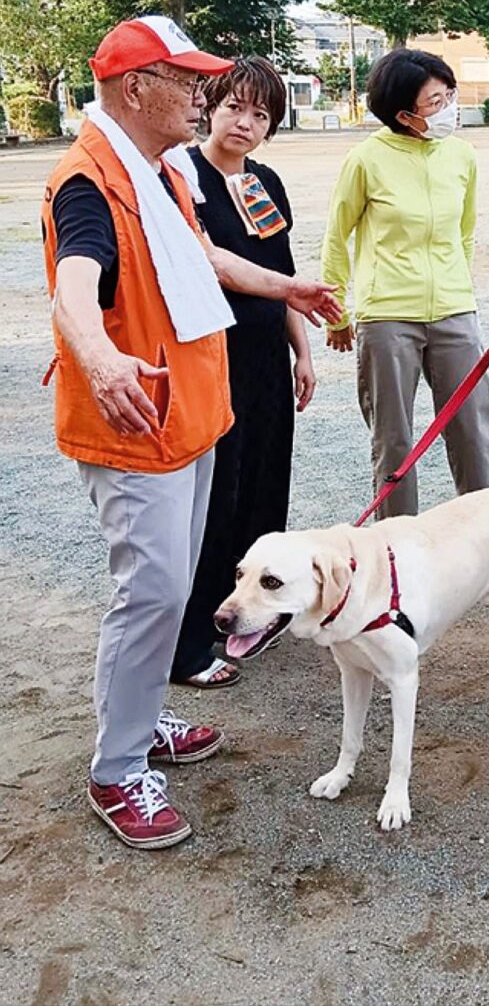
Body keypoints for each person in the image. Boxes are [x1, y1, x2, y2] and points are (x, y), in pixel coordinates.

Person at [42, 16, 340, 849]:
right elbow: (74, 285)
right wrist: (100, 361)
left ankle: (139, 724)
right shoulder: (88, 183)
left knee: (168, 588)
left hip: (187, 415)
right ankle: (115, 771)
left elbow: (207, 260)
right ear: (136, 88)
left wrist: (291, 290)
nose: (203, 97)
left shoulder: (162, 172)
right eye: (187, 79)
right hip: (136, 423)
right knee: (153, 593)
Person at [170, 57, 315, 689]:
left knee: (264, 482)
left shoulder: (267, 183)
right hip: (210, 355)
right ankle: (197, 631)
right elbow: (215, 265)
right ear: (211, 105)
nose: (245, 123)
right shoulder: (183, 176)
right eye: (235, 107)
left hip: (265, 358)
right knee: (217, 494)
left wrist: (301, 350)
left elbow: (282, 272)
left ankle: (254, 612)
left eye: (261, 114)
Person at [322, 48, 489, 519]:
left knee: (473, 429)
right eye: (435, 102)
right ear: (404, 114)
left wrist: (459, 291)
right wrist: (337, 311)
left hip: (454, 311)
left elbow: (464, 233)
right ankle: (397, 551)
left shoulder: (462, 156)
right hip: (388, 317)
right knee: (394, 440)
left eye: (449, 95)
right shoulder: (366, 160)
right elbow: (337, 236)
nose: (449, 109)